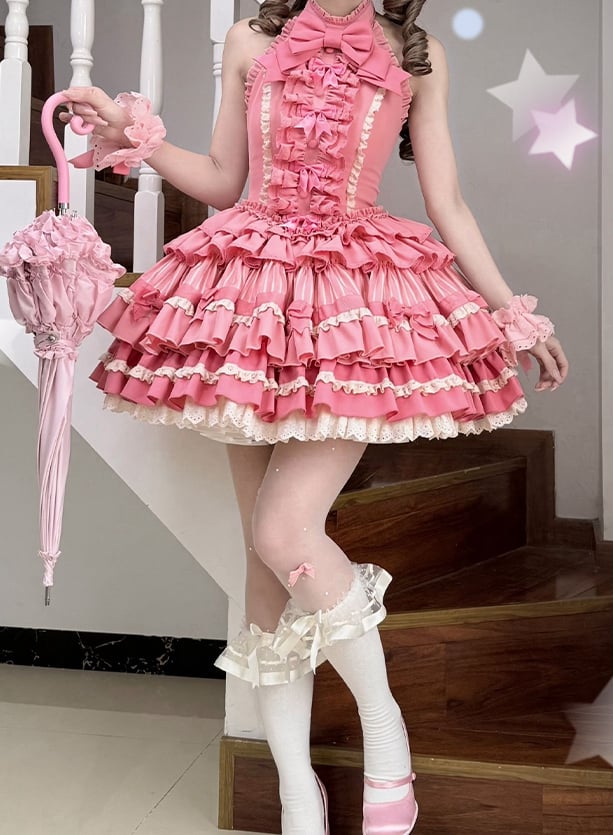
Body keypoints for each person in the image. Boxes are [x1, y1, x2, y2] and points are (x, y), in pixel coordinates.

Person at [60, 1, 569, 832]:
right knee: (264, 571)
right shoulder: (249, 38)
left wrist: (512, 312)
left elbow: (447, 201)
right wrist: (139, 138)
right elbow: (223, 179)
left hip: (351, 306)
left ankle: (386, 733)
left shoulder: (415, 52)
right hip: (251, 298)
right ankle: (299, 794)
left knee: (283, 530)